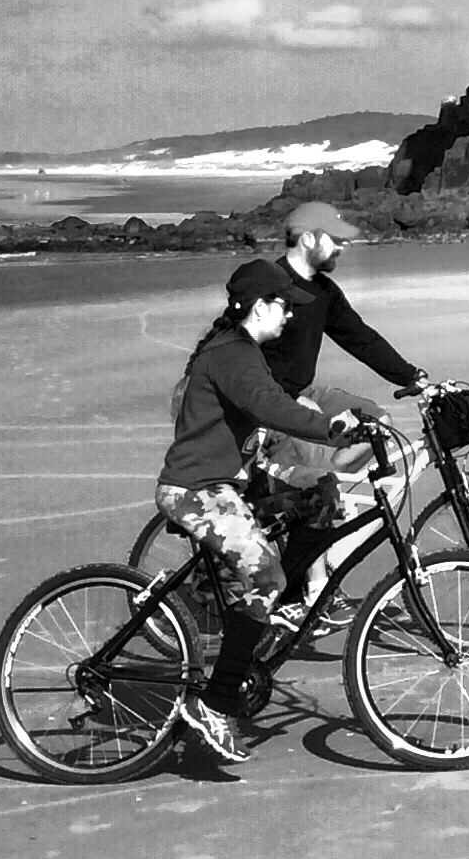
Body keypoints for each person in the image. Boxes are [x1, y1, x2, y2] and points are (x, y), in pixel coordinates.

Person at [156, 269, 368, 763]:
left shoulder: (243, 352)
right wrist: (331, 429)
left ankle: (280, 609)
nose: (290, 314)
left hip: (229, 485)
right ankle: (215, 703)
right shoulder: (231, 354)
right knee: (264, 572)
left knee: (320, 499)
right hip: (196, 490)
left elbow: (267, 410)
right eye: (283, 305)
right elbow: (269, 406)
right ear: (258, 308)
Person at [221, 200, 437, 628]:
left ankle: (318, 527)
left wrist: (414, 378)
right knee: (321, 477)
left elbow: (359, 336)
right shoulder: (269, 286)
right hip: (274, 406)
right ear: (307, 239)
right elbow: (241, 357)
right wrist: (291, 406)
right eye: (335, 240)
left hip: (307, 392)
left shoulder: (321, 290)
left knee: (378, 422)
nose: (342, 247)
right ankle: (315, 587)